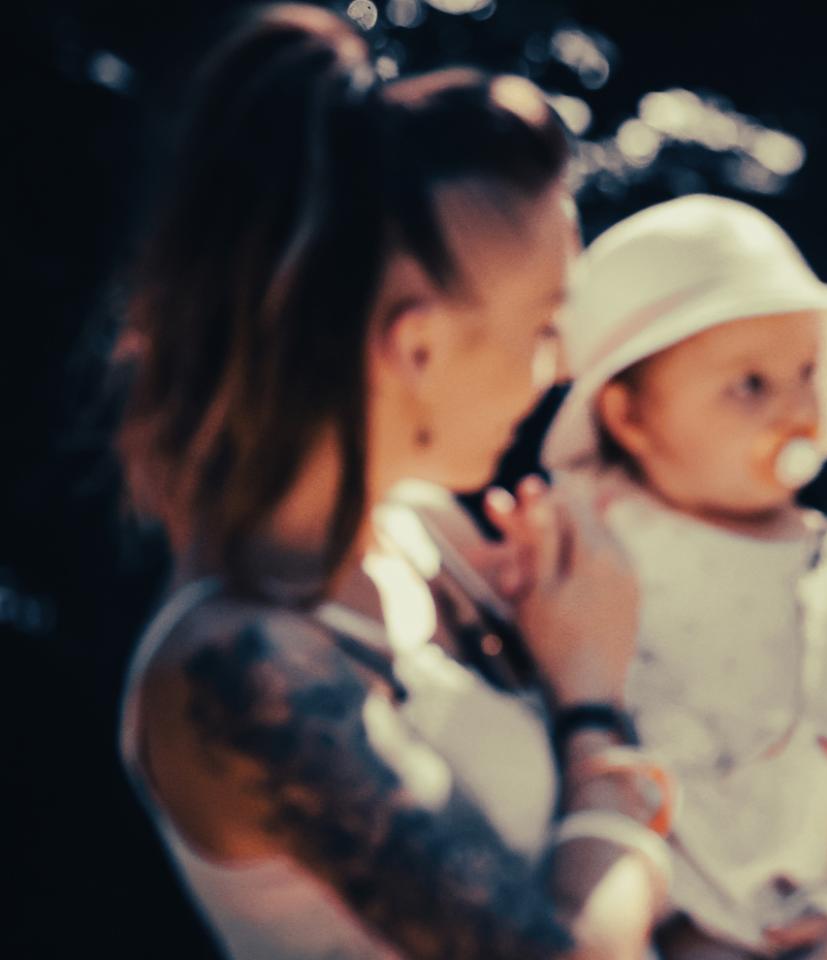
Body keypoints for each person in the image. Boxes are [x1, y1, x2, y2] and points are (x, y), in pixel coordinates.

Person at [115, 6, 668, 957]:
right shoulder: (242, 676)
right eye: (542, 326)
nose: (560, 369)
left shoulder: (425, 530)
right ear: (414, 346)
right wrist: (593, 718)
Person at [542, 194, 827, 959]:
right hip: (663, 898)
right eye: (749, 385)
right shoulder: (594, 536)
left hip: (826, 904)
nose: (796, 408)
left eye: (804, 371)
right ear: (629, 417)